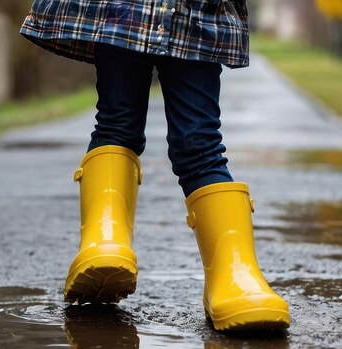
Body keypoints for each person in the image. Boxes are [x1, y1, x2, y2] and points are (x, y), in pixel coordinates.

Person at [20, 0, 290, 331]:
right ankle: (107, 239)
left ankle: (232, 272)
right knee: (127, 125)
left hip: (195, 12)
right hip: (124, 9)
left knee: (193, 141)